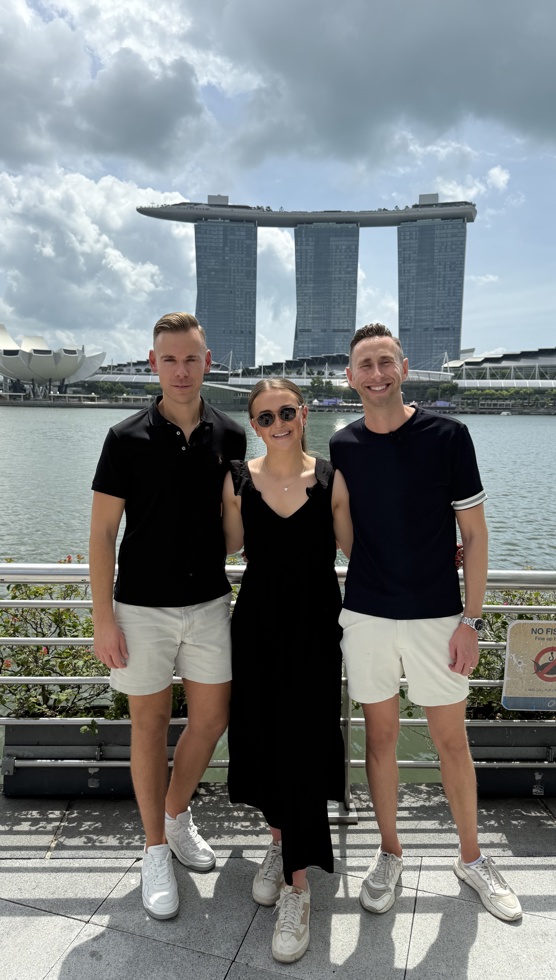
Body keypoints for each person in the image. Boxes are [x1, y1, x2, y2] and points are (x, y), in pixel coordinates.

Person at [330, 323, 522, 922]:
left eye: (386, 362)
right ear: (351, 376)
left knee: (450, 743)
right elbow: (343, 532)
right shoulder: (344, 445)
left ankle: (471, 858)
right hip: (367, 614)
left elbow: (476, 533)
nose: (377, 373)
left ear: (404, 368)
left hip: (440, 616)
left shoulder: (449, 436)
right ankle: (389, 852)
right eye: (366, 364)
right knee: (380, 741)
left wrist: (472, 619)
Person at [89, 312, 246, 920]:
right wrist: (103, 618)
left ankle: (175, 817)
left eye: (192, 358)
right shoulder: (124, 438)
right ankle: (155, 847)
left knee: (212, 717)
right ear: (153, 364)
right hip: (141, 608)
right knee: (149, 726)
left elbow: (233, 534)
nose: (181, 370)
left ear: (208, 362)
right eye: (170, 359)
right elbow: (103, 533)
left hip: (209, 601)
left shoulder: (231, 434)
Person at [222, 378, 352, 964]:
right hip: (255, 629)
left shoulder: (331, 478)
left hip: (316, 632)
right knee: (268, 738)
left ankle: (299, 890)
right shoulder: (236, 481)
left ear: (304, 414)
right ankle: (279, 841)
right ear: (254, 424)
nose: (278, 422)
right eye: (265, 415)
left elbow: (358, 550)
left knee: (303, 743)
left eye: (287, 411)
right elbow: (223, 549)